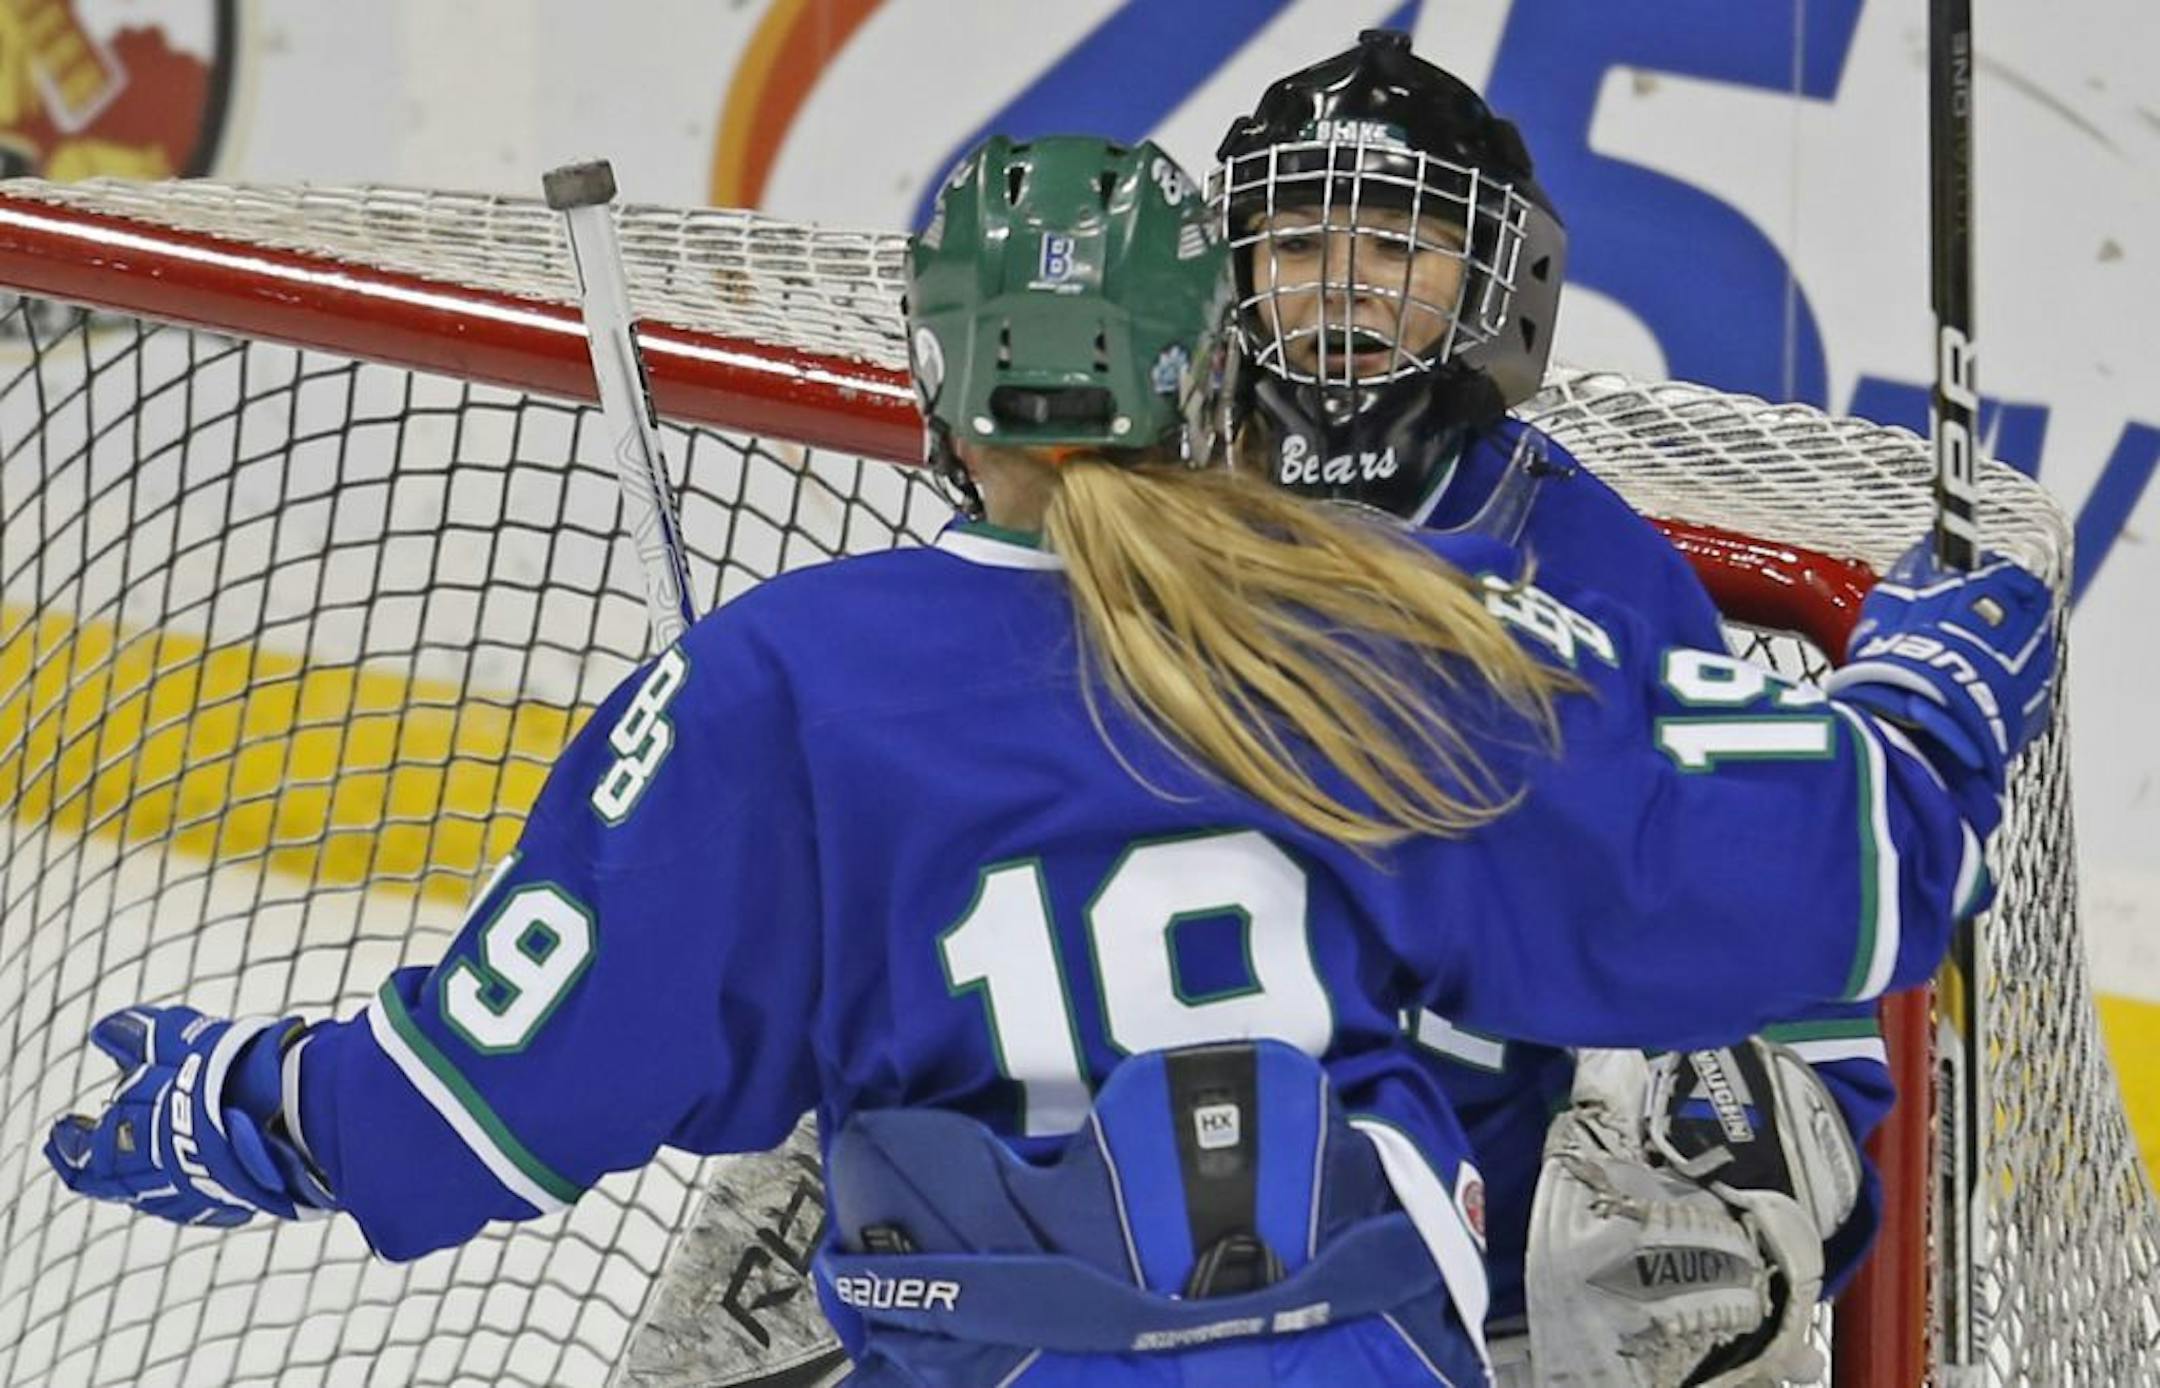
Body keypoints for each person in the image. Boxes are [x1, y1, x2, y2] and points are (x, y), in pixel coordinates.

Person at [45, 133, 2054, 1388]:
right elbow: (1832, 866)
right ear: (1212, 371)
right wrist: (1928, 701)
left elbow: (483, 1098)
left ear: (934, 383)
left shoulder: (781, 686)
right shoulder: (1398, 636)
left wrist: (247, 1101)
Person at [1202, 31, 1922, 1381]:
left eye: (1396, 249)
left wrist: (1751, 1144)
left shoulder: (1592, 580)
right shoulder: (1142, 538)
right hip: (1173, 1267)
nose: (1339, 292)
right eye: (1298, 246)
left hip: (1499, 1300)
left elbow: (1788, 990)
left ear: (1491, 284)